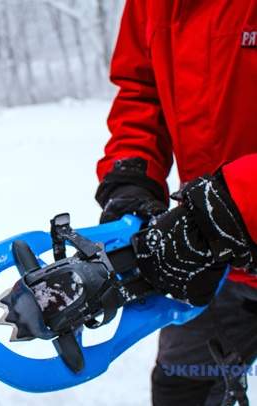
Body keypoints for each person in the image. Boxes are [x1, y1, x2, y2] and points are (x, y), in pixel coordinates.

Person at [95, 1, 257, 404]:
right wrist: (132, 175)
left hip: (213, 227)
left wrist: (234, 206)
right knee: (181, 388)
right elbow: (140, 91)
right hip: (212, 258)